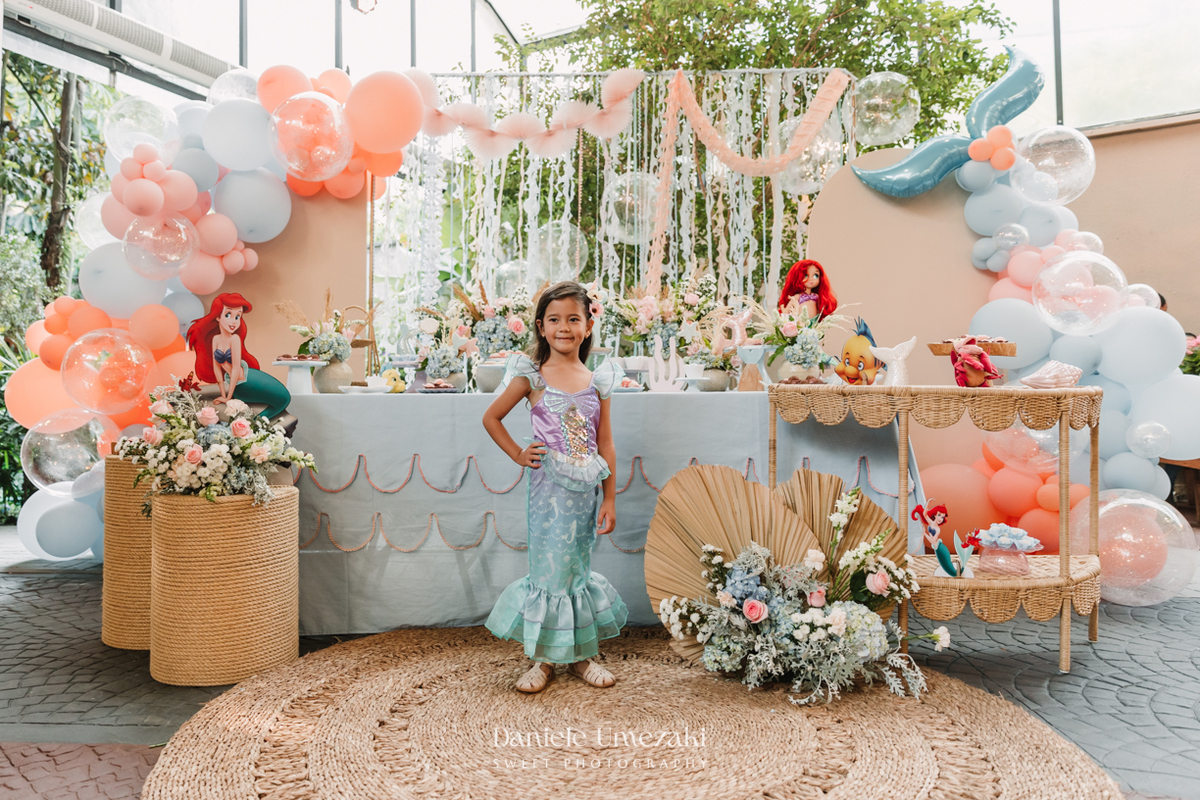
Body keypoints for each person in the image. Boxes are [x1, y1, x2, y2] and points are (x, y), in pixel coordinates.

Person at [482, 281, 627, 693]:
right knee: (549, 568)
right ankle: (543, 658)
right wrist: (516, 453)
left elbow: (606, 443)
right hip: (548, 492)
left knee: (577, 568)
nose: (564, 327)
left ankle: (581, 655)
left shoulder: (598, 379)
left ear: (587, 324)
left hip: (585, 491)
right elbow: (491, 418)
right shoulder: (533, 376)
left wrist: (610, 497)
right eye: (555, 320)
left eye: (573, 319)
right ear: (542, 328)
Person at [186, 292, 291, 418]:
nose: (234, 321)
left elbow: (236, 368)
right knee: (283, 398)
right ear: (218, 317)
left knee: (284, 397)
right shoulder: (216, 339)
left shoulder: (234, 339)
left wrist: (228, 397)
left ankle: (258, 421)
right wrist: (224, 396)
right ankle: (257, 421)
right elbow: (217, 368)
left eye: (237, 317)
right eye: (228, 314)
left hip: (247, 376)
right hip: (242, 386)